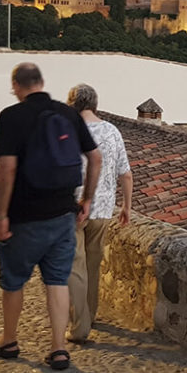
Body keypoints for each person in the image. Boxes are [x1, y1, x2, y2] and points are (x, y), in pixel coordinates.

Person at [0, 63, 101, 370]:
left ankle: (8, 341)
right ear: (41, 82)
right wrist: (86, 199)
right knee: (57, 281)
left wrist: (2, 215)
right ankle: (59, 349)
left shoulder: (11, 117)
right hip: (63, 214)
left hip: (24, 215)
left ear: (16, 86)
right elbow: (95, 157)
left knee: (14, 281)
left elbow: (7, 169)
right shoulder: (68, 114)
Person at [66, 83, 133, 343]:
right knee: (93, 266)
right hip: (103, 209)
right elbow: (125, 174)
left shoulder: (68, 131)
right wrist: (126, 207)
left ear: (72, 104)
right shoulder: (112, 132)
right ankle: (90, 315)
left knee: (75, 267)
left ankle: (79, 325)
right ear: (95, 104)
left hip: (72, 208)